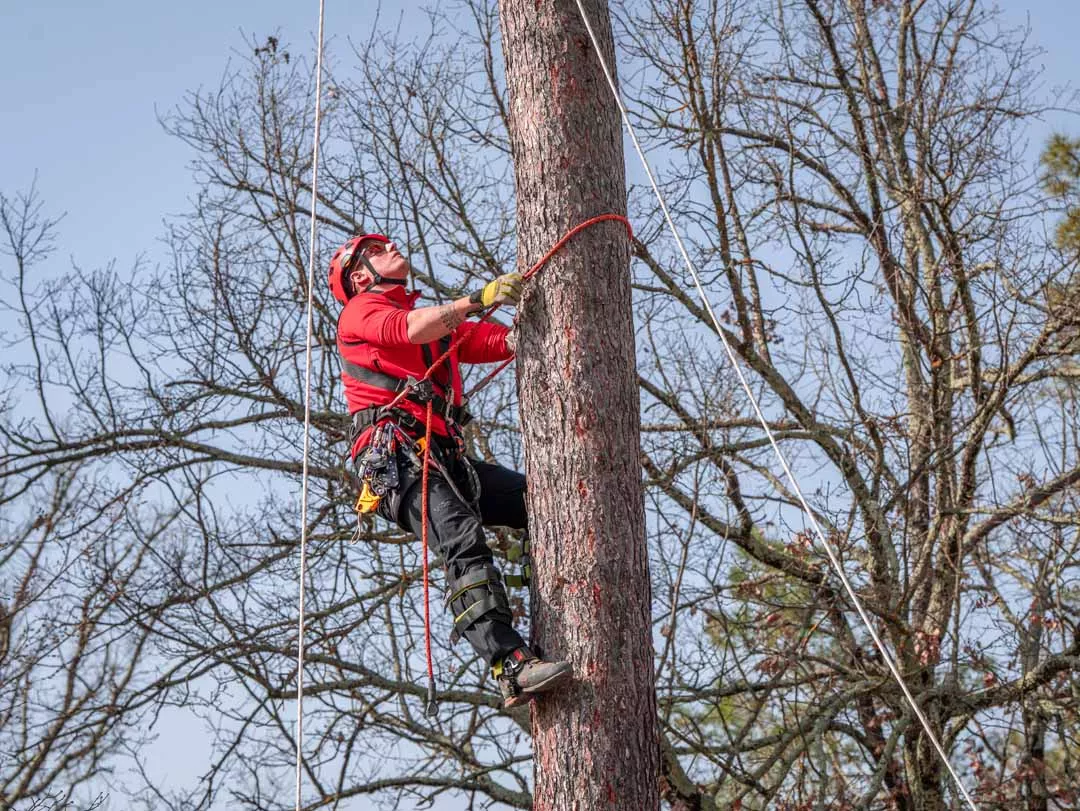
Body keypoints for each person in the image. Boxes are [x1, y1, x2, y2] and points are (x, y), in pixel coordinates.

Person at [328, 233, 572, 708]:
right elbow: (410, 330)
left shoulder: (427, 318)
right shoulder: (361, 312)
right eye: (376, 251)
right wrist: (476, 298)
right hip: (396, 460)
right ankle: (510, 666)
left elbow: (484, 340)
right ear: (359, 277)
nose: (391, 248)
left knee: (535, 501)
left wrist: (527, 330)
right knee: (461, 538)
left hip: (443, 455)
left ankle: (555, 591)